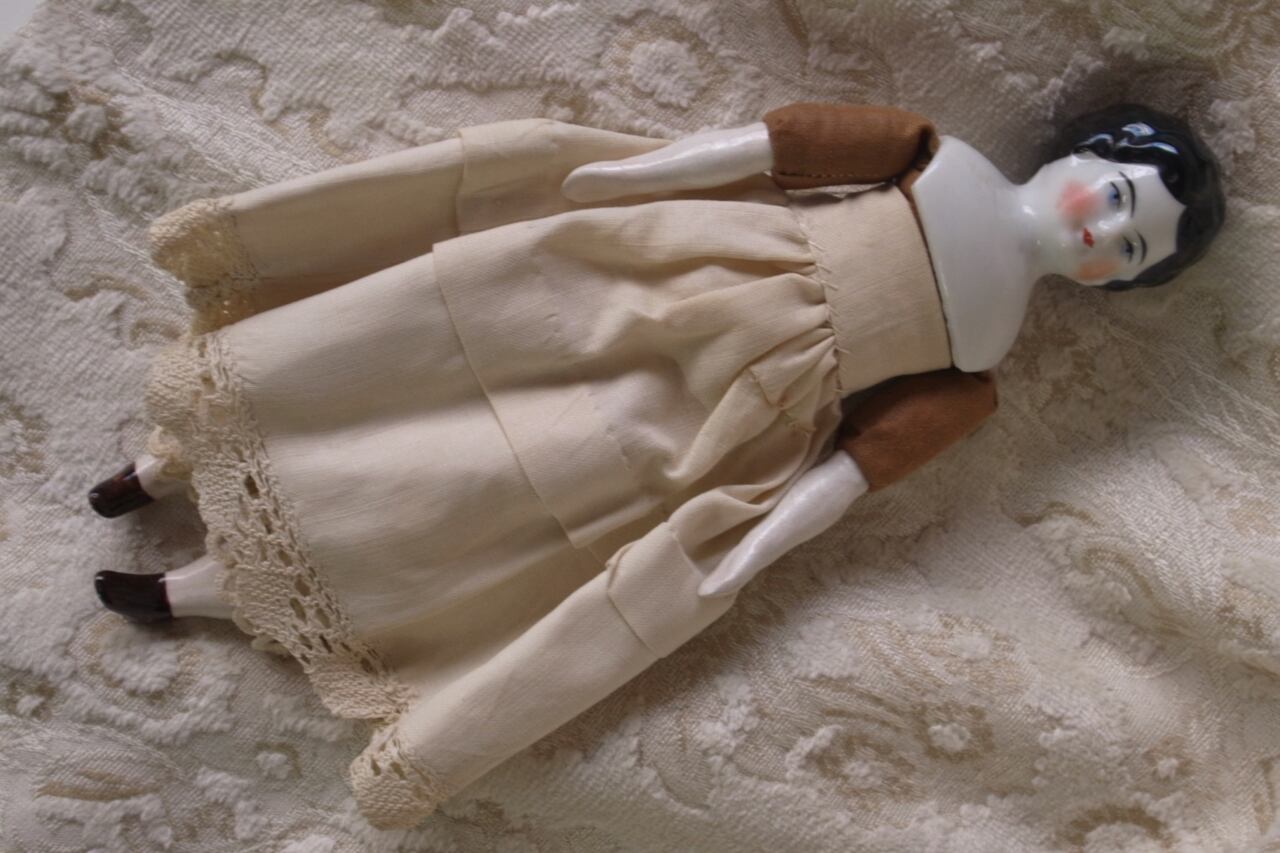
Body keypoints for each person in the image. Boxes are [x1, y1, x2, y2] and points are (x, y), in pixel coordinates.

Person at [87, 101, 1224, 827]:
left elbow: (858, 469)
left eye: (1129, 250)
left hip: (721, 426)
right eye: (1117, 197)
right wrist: (632, 180)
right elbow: (772, 146)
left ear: (1115, 284)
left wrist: (765, 536)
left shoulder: (980, 365)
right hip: (664, 275)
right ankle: (174, 458)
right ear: (1084, 154)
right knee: (433, 345)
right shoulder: (938, 157)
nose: (1101, 230)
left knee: (477, 485)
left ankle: (204, 589)